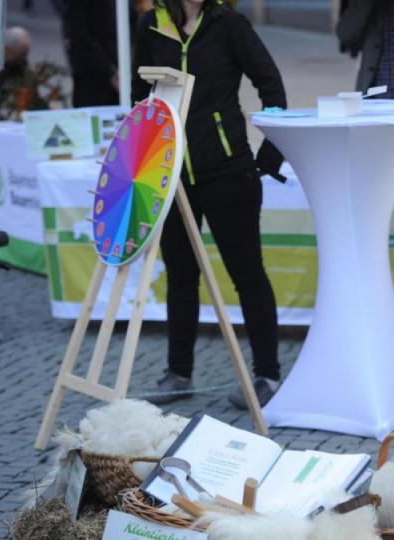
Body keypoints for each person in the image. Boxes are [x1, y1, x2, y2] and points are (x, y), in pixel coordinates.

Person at [132, 0, 288, 408]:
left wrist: (271, 149)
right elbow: (139, 97)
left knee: (247, 273)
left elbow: (270, 84)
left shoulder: (230, 24)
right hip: (171, 176)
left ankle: (267, 375)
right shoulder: (152, 25)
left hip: (228, 173)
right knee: (180, 276)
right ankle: (178, 373)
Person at [62, 0, 138, 107]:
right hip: (93, 77)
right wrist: (110, 71)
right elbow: (80, 35)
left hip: (120, 72)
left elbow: (133, 27)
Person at [0, 27, 49, 121]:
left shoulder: (24, 71)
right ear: (5, 49)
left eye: (24, 55)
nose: (22, 60)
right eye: (19, 56)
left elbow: (33, 100)